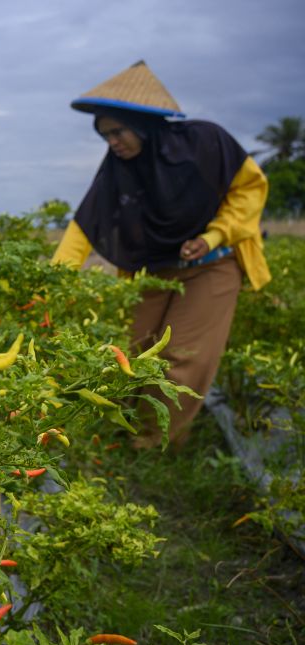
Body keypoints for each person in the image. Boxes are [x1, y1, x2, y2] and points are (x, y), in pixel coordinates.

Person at [52, 61, 270, 448]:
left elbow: (250, 188)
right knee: (134, 354)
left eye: (118, 131)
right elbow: (86, 225)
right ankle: (126, 432)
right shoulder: (118, 168)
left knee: (181, 359)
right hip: (154, 270)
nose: (113, 143)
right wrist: (50, 281)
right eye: (106, 136)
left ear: (144, 124)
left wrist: (215, 235)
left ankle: (155, 446)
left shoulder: (206, 143)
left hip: (212, 267)